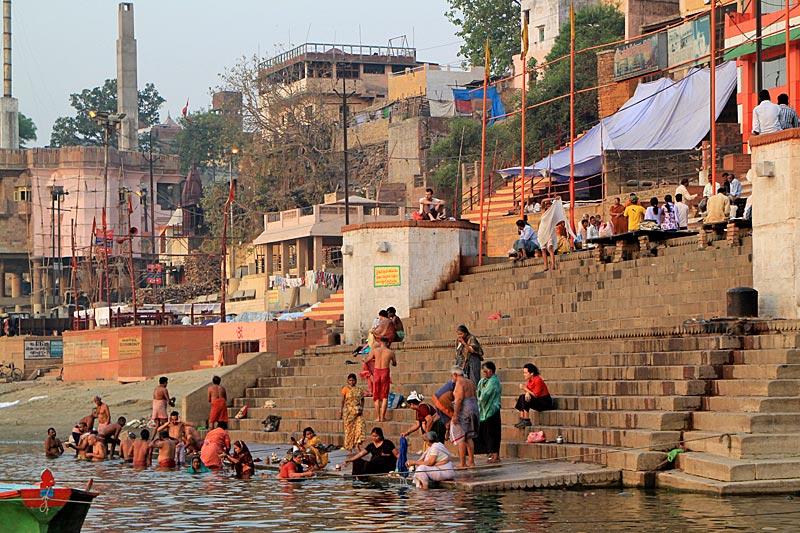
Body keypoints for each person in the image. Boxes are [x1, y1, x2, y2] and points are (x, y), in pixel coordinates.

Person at [451, 366, 479, 468]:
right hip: (474, 409)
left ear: (455, 375)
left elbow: (459, 399)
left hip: (464, 410)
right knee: (469, 437)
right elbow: (475, 396)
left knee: (461, 437)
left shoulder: (460, 383)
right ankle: (471, 461)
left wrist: (455, 414)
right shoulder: (470, 382)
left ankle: (462, 463)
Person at [364, 336, 396, 422]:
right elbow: (394, 363)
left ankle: (378, 417)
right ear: (388, 343)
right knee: (385, 396)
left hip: (377, 372)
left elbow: (367, 360)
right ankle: (383, 417)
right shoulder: (391, 352)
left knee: (376, 396)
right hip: (385, 372)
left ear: (380, 343)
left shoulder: (375, 351)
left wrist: (364, 360)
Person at [476, 362, 502, 463]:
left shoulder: (494, 381)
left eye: (485, 371)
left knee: (493, 434)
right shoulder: (483, 381)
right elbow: (478, 391)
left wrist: (480, 396)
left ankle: (495, 455)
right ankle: (490, 453)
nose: (484, 374)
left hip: (492, 411)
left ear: (490, 371)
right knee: (485, 434)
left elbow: (484, 396)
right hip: (483, 412)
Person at [514, 364, 554, 428]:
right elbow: (529, 391)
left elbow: (536, 395)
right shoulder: (529, 380)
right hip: (538, 400)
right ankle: (522, 419)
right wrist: (527, 392)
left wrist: (525, 389)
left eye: (526, 373)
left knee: (524, 398)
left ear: (532, 373)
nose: (524, 374)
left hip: (544, 402)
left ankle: (526, 420)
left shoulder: (538, 380)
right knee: (522, 396)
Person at [339, 373, 366, 453]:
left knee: (359, 427)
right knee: (349, 430)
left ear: (356, 381)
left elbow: (362, 400)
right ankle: (349, 447)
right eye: (350, 380)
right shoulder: (345, 389)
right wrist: (341, 410)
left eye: (353, 380)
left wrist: (361, 408)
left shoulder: (359, 389)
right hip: (348, 412)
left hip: (357, 411)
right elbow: (342, 401)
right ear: (348, 381)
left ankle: (357, 445)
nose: (351, 382)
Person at [538, 199, 559, 271]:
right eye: (547, 205)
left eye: (550, 205)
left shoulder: (553, 214)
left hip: (550, 232)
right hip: (542, 232)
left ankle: (553, 265)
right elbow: (542, 201)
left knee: (550, 248)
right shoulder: (544, 211)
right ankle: (546, 266)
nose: (548, 206)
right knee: (543, 249)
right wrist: (552, 199)